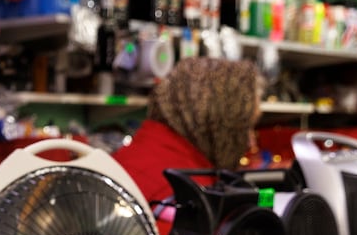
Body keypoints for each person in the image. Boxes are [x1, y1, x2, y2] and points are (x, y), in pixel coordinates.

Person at [112, 57, 261, 204]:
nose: (250, 142)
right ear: (217, 119)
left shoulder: (132, 155)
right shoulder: (186, 196)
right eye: (246, 127)